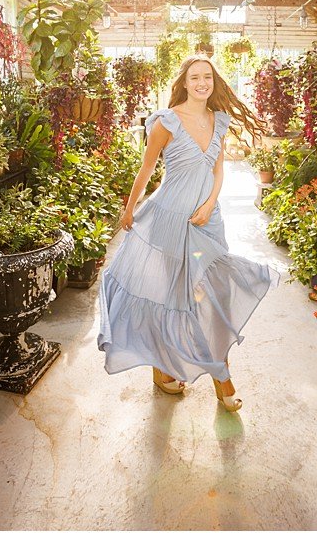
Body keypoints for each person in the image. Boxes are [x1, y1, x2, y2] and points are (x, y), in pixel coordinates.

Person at [97, 56, 281, 411]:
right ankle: (205, 379)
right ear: (184, 82)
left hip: (207, 222)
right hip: (169, 220)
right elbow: (146, 169)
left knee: (216, 297)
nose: (201, 83)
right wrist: (129, 209)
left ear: (214, 81)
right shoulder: (167, 122)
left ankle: (200, 373)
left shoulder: (219, 120)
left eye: (207, 77)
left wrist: (211, 203)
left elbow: (217, 171)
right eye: (195, 77)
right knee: (170, 298)